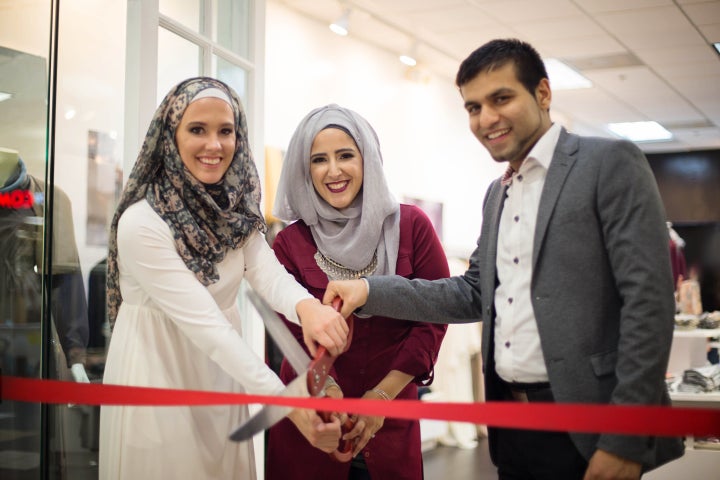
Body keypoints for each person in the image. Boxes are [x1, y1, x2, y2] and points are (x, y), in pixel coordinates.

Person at [324, 39, 685, 480]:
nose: (486, 118)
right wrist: (369, 290)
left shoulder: (607, 164)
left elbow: (649, 304)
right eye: (473, 107)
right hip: (513, 427)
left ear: (543, 94)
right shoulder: (498, 193)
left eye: (501, 98)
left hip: (589, 422)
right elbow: (473, 291)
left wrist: (626, 438)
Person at [98, 77, 349, 480]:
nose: (214, 145)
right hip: (158, 377)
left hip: (219, 377)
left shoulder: (234, 212)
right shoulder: (142, 223)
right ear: (170, 136)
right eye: (197, 130)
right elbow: (206, 325)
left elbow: (267, 273)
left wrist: (309, 310)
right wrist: (286, 401)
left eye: (226, 131)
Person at [265, 104, 449, 480]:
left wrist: (381, 398)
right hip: (315, 424)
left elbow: (434, 318)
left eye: (346, 155)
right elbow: (288, 333)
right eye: (319, 159)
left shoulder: (413, 227)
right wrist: (329, 393)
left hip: (393, 420)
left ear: (368, 159)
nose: (333, 171)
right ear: (305, 169)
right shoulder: (289, 242)